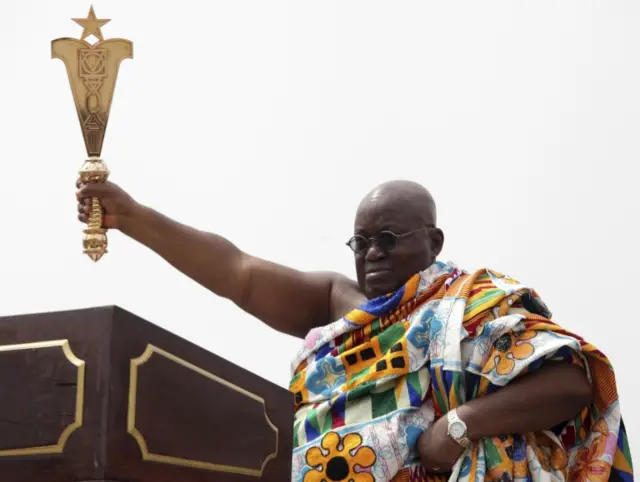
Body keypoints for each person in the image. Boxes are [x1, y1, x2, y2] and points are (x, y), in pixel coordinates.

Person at [77, 179, 633, 482]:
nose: (372, 254)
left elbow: (570, 382)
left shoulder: (470, 302)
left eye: (389, 238)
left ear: (433, 243)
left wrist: (457, 428)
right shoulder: (338, 304)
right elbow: (237, 273)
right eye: (361, 241)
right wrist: (133, 217)